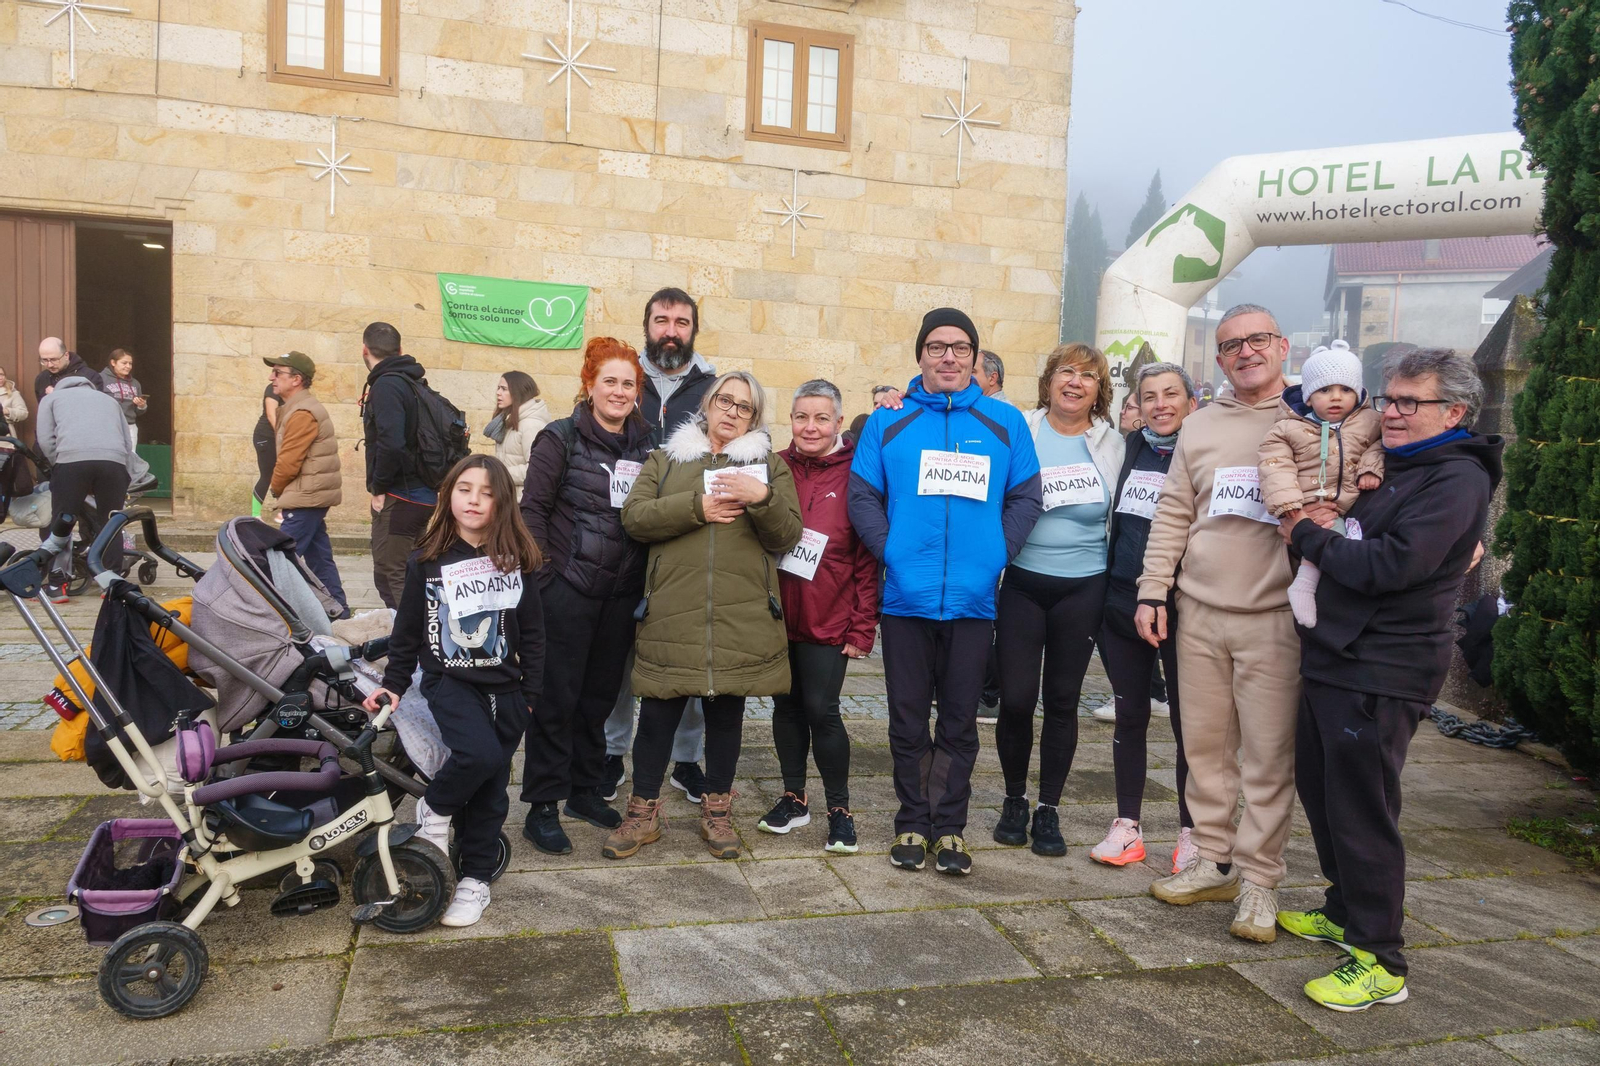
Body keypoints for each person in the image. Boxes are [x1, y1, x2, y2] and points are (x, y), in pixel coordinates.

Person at [1277, 348, 1500, 1011]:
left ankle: (1381, 959)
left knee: (1363, 809)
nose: (1392, 413)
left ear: (1453, 412)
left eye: (1411, 403)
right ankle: (1345, 910)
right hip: (1337, 654)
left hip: (1385, 666)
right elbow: (1356, 534)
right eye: (1390, 399)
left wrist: (1304, 535)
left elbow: (1386, 566)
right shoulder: (1403, 467)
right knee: (1321, 790)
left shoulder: (1456, 480)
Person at [849, 308, 1042, 875]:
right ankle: (912, 821)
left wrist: (993, 556)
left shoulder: (1005, 422)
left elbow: (1027, 498)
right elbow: (862, 496)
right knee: (907, 720)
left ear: (976, 358)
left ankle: (950, 827)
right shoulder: (890, 421)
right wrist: (894, 554)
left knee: (958, 721)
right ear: (920, 356)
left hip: (974, 600)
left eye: (960, 348)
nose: (949, 357)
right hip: (906, 598)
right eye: (937, 347)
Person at [1136, 303, 1302, 944]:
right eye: (1232, 344)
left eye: (1257, 339)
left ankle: (1260, 881)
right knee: (1203, 750)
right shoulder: (1200, 426)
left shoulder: (1312, 419)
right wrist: (1154, 590)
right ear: (1220, 357)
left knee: (1266, 758)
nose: (1245, 352)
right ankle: (1213, 859)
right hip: (1198, 612)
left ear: (1281, 345)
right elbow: (1174, 513)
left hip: (1274, 617)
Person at [604, 371, 803, 860]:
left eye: (744, 407)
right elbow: (635, 518)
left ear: (754, 418)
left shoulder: (769, 466)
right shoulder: (667, 459)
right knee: (657, 714)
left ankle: (717, 810)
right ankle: (643, 811)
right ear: (707, 406)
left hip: (741, 613)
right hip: (673, 608)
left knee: (726, 714)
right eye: (725, 401)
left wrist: (763, 500)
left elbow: (787, 536)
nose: (732, 412)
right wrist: (698, 507)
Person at [363, 454, 546, 929]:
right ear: (449, 494)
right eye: (465, 489)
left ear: (502, 503)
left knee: (491, 790)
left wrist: (530, 695)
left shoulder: (517, 562)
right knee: (479, 756)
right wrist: (393, 686)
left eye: (486, 493)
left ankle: (476, 880)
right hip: (451, 682)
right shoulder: (427, 559)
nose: (474, 500)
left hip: (506, 690)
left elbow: (535, 635)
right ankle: (436, 809)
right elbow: (406, 633)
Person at [517, 339, 653, 854]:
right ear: (589, 384)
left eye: (628, 383)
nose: (619, 392)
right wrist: (547, 578)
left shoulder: (648, 443)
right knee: (556, 699)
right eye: (610, 381)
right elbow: (532, 513)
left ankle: (583, 789)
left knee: (598, 697)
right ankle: (543, 806)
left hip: (620, 595)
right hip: (567, 591)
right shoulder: (560, 438)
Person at [991, 343, 1122, 857]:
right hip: (1022, 580)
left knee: (1063, 701)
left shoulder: (1114, 443)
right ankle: (1014, 798)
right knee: (1018, 699)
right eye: (1065, 372)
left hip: (1083, 584)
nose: (1074, 382)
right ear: (1048, 381)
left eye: (1087, 376)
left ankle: (1049, 809)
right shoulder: (1018, 428)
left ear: (1099, 389)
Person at [602, 288, 717, 805]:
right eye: (661, 320)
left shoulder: (714, 389)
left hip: (688, 542)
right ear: (646, 324)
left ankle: (687, 759)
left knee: (686, 655)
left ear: (695, 328)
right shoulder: (623, 379)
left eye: (681, 322)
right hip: (622, 540)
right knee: (621, 655)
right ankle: (611, 751)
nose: (671, 330)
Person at [759, 379, 879, 854]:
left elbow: (869, 557)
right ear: (791, 420)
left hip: (830, 616)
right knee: (785, 707)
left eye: (821, 418)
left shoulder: (858, 473)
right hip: (775, 614)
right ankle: (794, 797)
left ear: (837, 422)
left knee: (821, 711)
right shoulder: (775, 468)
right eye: (802, 417)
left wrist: (863, 625)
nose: (811, 427)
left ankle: (840, 810)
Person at [1089, 362, 1199, 871]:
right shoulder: (1129, 448)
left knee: (1189, 723)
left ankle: (1193, 831)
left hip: (1186, 606)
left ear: (1191, 402)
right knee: (1130, 714)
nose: (1160, 404)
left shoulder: (1207, 453)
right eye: (1148, 396)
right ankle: (1127, 825)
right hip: (1121, 601)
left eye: (1170, 394)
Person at [1259, 339, 1384, 628]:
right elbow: (1274, 467)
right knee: (1329, 538)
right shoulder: (1288, 428)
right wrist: (1291, 508)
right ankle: (1304, 584)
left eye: (1346, 389)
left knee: (1353, 546)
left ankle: (1317, 590)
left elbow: (1382, 445)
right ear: (1309, 395)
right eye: (1325, 390)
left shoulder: (1370, 421)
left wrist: (1370, 467)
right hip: (1307, 504)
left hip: (1350, 503)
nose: (1336, 397)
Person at [360, 321, 438, 609]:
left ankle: (410, 644)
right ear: (400, 349)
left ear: (365, 350)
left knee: (389, 572)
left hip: (402, 495)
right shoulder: (411, 381)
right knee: (410, 571)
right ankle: (421, 638)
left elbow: (391, 444)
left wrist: (379, 487)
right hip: (421, 494)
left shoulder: (387, 385)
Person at [262, 352, 347, 614]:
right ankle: (338, 611)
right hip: (311, 495)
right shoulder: (298, 408)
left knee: (276, 561)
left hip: (306, 496)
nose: (271, 377)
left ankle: (267, 614)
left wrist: (276, 490)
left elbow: (288, 462)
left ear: (296, 379)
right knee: (319, 558)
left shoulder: (302, 412)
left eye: (278, 373)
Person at [35, 375, 132, 602]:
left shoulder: (52, 399)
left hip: (71, 461)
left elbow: (45, 439)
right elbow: (127, 441)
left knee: (63, 519)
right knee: (112, 521)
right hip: (113, 462)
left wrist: (58, 463)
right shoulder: (109, 400)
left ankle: (58, 585)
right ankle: (112, 583)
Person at [485, 370, 551, 491]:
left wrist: (497, 473)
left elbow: (537, 469)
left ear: (518, 392)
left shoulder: (531, 425)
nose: (498, 393)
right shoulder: (508, 421)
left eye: (504, 389)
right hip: (507, 496)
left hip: (522, 501)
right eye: (498, 388)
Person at [33, 338, 109, 401]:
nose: (49, 365)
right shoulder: (41, 379)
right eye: (45, 360)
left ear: (66, 355)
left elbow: (93, 407)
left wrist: (57, 396)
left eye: (54, 360)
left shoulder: (90, 377)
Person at [100, 348, 147, 450]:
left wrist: (141, 406)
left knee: (130, 457)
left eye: (130, 363)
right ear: (113, 362)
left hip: (130, 426)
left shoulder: (135, 383)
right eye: (124, 363)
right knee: (110, 456)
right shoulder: (101, 379)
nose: (128, 366)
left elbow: (138, 412)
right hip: (108, 425)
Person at [252, 378, 280, 519]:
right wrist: (282, 437)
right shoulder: (272, 388)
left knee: (283, 474)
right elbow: (271, 415)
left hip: (278, 438)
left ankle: (283, 512)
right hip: (265, 437)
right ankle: (255, 516)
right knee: (267, 475)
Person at [0, 365, 28, 437]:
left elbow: (24, 413)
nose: (0, 378)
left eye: (2, 374)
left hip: (5, 435)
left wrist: (7, 411)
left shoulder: (12, 393)